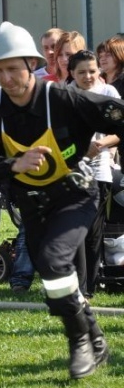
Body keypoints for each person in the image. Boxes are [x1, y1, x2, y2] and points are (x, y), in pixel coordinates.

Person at [0, 21, 117, 379]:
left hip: (76, 196)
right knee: (53, 279)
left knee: (51, 261)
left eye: (13, 69)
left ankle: (79, 344)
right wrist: (12, 163)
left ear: (32, 65)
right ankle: (95, 339)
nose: (6, 78)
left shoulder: (61, 98)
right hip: (31, 205)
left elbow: (114, 117)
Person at [68, 50, 119, 298]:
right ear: (71, 74)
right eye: (81, 72)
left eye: (92, 70)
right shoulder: (64, 96)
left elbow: (120, 129)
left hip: (99, 171)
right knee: (74, 229)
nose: (88, 76)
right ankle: (77, 284)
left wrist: (100, 145)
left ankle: (89, 286)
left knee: (93, 231)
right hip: (70, 171)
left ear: (98, 70)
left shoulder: (109, 93)